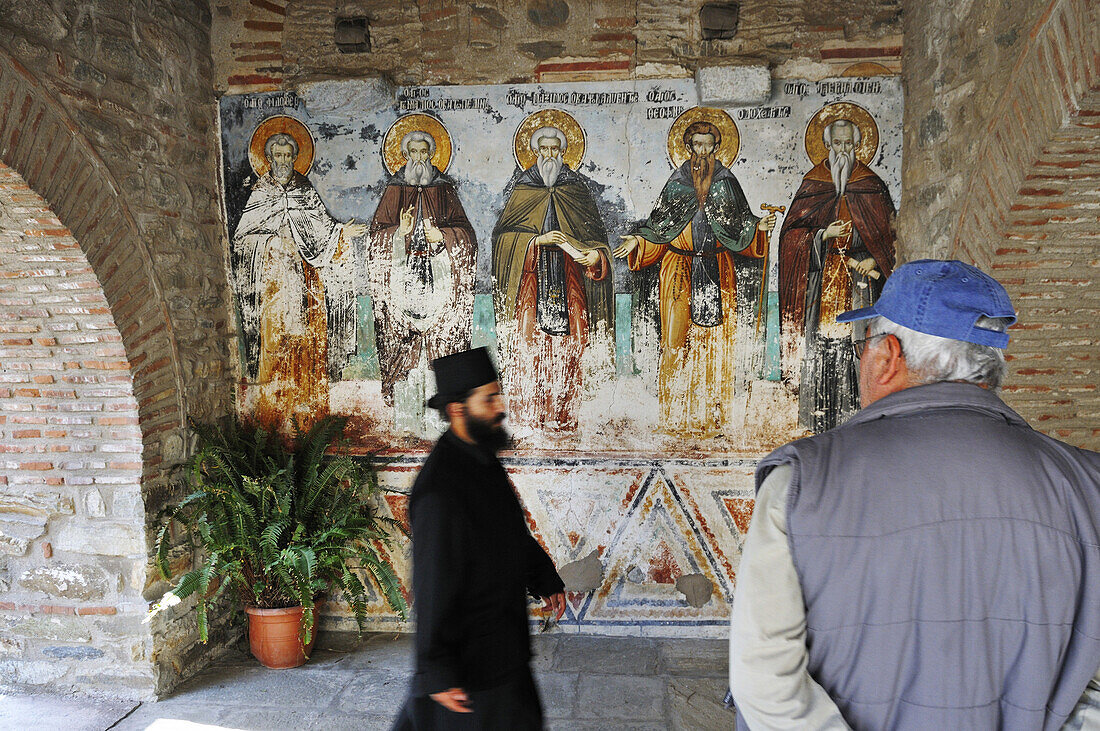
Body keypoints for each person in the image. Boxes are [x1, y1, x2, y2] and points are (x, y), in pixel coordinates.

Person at [729, 259, 1100, 729]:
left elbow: (765, 680)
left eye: (866, 347)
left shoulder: (803, 482)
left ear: (887, 356)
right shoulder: (1087, 484)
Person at [392, 347, 567, 730]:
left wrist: (542, 575)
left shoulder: (480, 459)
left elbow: (507, 529)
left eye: (498, 394)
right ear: (457, 409)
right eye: (489, 399)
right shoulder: (440, 490)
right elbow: (433, 583)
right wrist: (436, 670)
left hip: (505, 652)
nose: (500, 407)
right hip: (472, 674)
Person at [615, 120, 775, 435]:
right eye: (697, 145)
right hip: (678, 269)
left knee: (715, 345)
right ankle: (673, 418)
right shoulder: (677, 182)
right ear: (688, 148)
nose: (703, 151)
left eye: (708, 145)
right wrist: (638, 240)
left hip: (718, 268)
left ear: (717, 147)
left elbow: (740, 224)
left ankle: (712, 419)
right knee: (675, 342)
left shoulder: (727, 182)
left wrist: (758, 227)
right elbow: (660, 228)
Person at [231, 131, 366, 428]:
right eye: (277, 156)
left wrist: (342, 234)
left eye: (287, 155)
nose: (282, 161)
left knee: (306, 345)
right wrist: (271, 244)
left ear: (295, 158)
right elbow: (242, 240)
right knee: (275, 345)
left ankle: (306, 416)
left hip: (306, 285)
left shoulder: (304, 190)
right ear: (268, 159)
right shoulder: (261, 192)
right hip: (273, 287)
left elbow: (322, 230)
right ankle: (273, 416)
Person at [777, 118, 896, 433]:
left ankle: (861, 415)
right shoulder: (813, 184)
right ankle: (820, 418)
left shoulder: (871, 186)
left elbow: (890, 240)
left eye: (849, 144)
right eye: (837, 144)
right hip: (823, 279)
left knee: (856, 347)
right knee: (825, 346)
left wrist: (873, 261)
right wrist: (821, 235)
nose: (843, 150)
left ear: (857, 146)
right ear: (827, 147)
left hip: (860, 285)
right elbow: (790, 235)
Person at [492, 126, 613, 433]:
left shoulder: (576, 188)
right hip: (531, 281)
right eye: (543, 149)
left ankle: (568, 421)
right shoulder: (523, 187)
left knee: (572, 351)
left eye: (554, 149)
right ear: (535, 152)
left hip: (570, 279)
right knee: (530, 350)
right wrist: (536, 241)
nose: (549, 155)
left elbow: (596, 240)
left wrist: (597, 256)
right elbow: (503, 238)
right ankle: (529, 423)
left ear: (563, 152)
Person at [368, 130, 477, 408]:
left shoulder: (444, 189)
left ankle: (445, 406)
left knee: (442, 342)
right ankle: (402, 408)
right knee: (402, 343)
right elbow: (376, 233)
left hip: (439, 279)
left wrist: (442, 236)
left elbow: (467, 234)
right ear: (405, 156)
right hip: (402, 280)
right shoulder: (394, 190)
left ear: (431, 155)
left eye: (423, 152)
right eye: (413, 153)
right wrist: (397, 233)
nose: (418, 159)